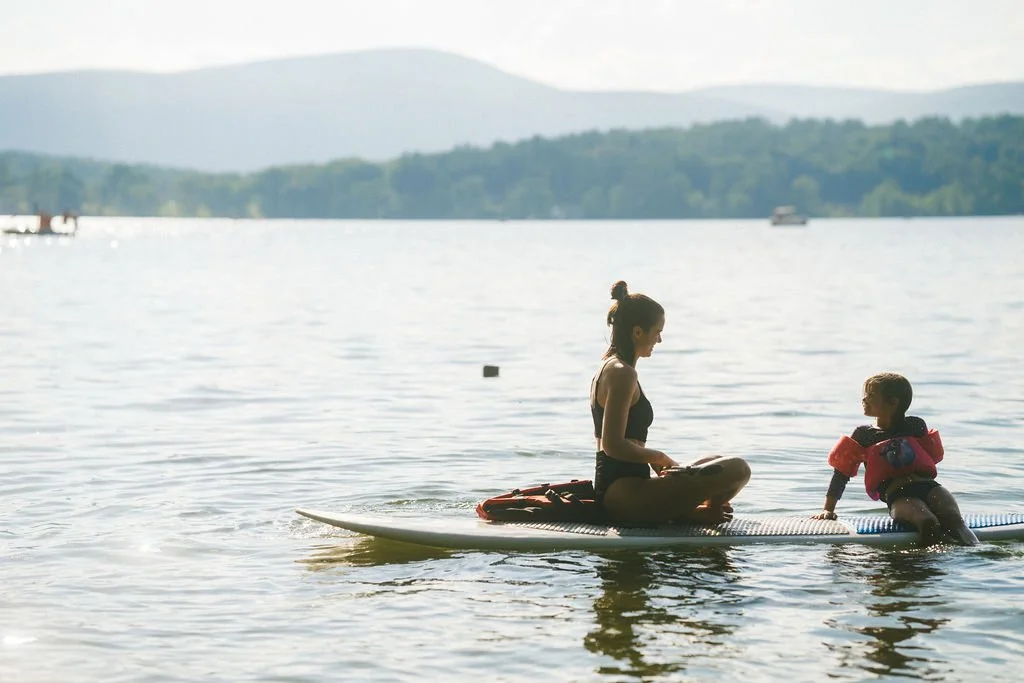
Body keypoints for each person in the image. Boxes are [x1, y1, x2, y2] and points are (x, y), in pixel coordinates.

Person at [590, 280, 751, 525]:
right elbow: (613, 445)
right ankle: (692, 515)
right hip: (624, 497)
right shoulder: (623, 373)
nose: (660, 340)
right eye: (657, 332)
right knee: (739, 469)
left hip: (624, 489)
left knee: (713, 460)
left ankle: (692, 511)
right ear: (637, 332)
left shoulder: (609, 367)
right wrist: (660, 458)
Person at [811, 372, 978, 545]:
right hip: (899, 497)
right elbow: (841, 474)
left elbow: (930, 458)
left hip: (931, 488)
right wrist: (828, 510)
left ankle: (976, 552)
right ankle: (926, 566)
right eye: (865, 394)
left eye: (871, 395)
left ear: (893, 402)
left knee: (956, 522)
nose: (864, 399)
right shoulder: (863, 435)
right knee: (928, 522)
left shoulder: (915, 425)